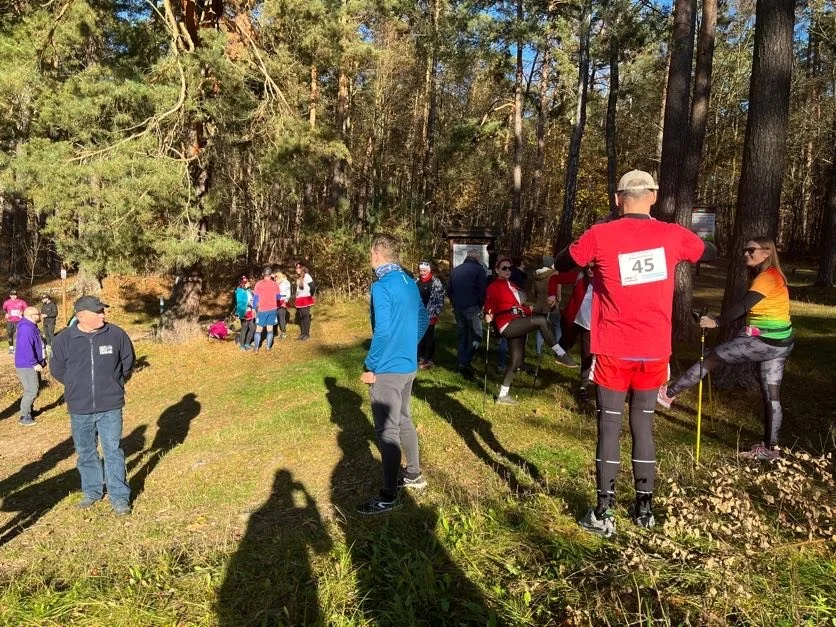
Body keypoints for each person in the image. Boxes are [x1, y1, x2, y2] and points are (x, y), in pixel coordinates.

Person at [554, 169, 715, 537]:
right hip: (654, 351)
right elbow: (712, 251)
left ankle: (603, 512)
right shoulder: (673, 235)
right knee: (643, 426)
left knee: (609, 425)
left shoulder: (600, 235)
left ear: (617, 198)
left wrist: (579, 247)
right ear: (653, 196)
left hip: (612, 349)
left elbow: (565, 261)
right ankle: (645, 511)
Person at [658, 237, 795, 462]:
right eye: (744, 250)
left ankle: (668, 394)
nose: (746, 254)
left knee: (712, 358)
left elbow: (743, 306)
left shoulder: (767, 277)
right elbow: (748, 309)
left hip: (765, 342)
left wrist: (717, 323)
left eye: (751, 250)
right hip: (781, 343)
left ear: (767, 252)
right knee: (772, 396)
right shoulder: (773, 276)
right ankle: (770, 449)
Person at [358, 233, 429, 514]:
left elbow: (384, 330)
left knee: (388, 429)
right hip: (407, 365)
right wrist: (408, 344)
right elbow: (422, 318)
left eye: (369, 255)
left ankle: (387, 496)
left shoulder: (382, 285)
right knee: (404, 419)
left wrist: (370, 365)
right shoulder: (408, 281)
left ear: (376, 254)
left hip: (387, 368)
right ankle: (413, 474)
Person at [50, 296, 135, 515]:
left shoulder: (116, 334)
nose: (103, 315)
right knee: (86, 452)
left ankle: (119, 497)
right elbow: (57, 369)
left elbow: (127, 363)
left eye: (102, 311)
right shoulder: (64, 339)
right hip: (79, 407)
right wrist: (76, 386)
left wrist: (114, 384)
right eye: (97, 312)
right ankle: (92, 491)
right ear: (81, 316)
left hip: (110, 405)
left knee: (113, 451)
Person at [484, 257, 578, 405]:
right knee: (541, 321)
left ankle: (502, 396)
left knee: (516, 361)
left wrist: (528, 309)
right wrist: (488, 314)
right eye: (504, 268)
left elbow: (516, 306)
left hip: (516, 322)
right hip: (507, 325)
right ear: (497, 270)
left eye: (509, 268)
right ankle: (560, 353)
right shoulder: (494, 286)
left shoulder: (511, 285)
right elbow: (489, 303)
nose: (508, 270)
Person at [558, 265, 596, 401]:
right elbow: (554, 279)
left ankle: (583, 387)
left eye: (593, 267)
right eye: (588, 268)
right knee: (566, 342)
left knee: (587, 355)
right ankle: (559, 353)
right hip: (573, 319)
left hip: (591, 325)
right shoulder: (579, 276)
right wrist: (551, 295)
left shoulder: (605, 281)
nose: (590, 270)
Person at [448, 248, 487, 378]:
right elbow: (482, 291)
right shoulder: (479, 270)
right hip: (472, 307)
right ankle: (466, 361)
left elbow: (449, 290)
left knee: (462, 335)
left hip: (458, 307)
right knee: (477, 334)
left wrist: (454, 303)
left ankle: (461, 361)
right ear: (478, 257)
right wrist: (480, 306)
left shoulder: (456, 270)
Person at [15, 306, 46, 427]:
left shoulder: (32, 326)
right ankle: (24, 416)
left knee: (35, 387)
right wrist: (34, 363)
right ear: (32, 316)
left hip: (32, 363)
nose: (40, 316)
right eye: (38, 314)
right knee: (31, 390)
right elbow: (26, 347)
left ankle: (29, 410)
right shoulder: (26, 328)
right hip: (27, 364)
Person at [416, 260, 445, 369]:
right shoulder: (416, 282)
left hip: (430, 314)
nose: (422, 272)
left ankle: (428, 359)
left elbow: (440, 299)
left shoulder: (435, 282)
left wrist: (436, 312)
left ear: (429, 271)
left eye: (424, 271)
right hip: (418, 314)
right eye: (420, 270)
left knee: (429, 337)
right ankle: (420, 358)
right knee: (419, 337)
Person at [252, 266, 281, 352]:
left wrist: (253, 308)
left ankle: (256, 348)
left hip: (262, 310)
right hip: (272, 309)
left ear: (263, 274)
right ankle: (268, 348)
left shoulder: (258, 284)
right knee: (270, 328)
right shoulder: (275, 284)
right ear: (271, 274)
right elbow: (278, 297)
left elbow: (255, 298)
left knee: (259, 329)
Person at [294, 262, 315, 340]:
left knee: (306, 317)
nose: (296, 270)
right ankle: (302, 334)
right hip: (299, 299)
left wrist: (309, 295)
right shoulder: (299, 278)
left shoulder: (307, 276)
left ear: (302, 268)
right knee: (301, 317)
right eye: (296, 268)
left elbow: (312, 287)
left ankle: (306, 334)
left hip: (305, 299)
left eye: (298, 268)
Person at [3, 289, 27, 355]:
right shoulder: (6, 302)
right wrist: (6, 314)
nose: (14, 296)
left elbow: (26, 309)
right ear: (10, 295)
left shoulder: (22, 302)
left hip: (19, 320)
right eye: (12, 295)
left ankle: (19, 348)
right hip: (10, 321)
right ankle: (11, 348)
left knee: (19, 334)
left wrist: (22, 312)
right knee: (10, 334)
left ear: (17, 295)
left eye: (15, 295)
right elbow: (4, 309)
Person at [234, 276, 255, 350]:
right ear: (243, 283)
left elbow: (252, 299)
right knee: (244, 328)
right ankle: (242, 345)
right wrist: (247, 305)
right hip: (243, 312)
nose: (249, 283)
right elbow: (240, 303)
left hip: (250, 312)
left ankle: (247, 343)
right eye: (247, 282)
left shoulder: (248, 290)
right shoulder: (239, 291)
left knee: (252, 328)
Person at [273, 271, 292, 340]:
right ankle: (275, 332)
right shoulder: (276, 283)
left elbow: (288, 293)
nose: (274, 279)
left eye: (275, 277)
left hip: (282, 301)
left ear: (279, 276)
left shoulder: (285, 282)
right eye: (274, 277)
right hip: (275, 301)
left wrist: (285, 301)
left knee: (281, 317)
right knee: (275, 317)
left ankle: (283, 333)